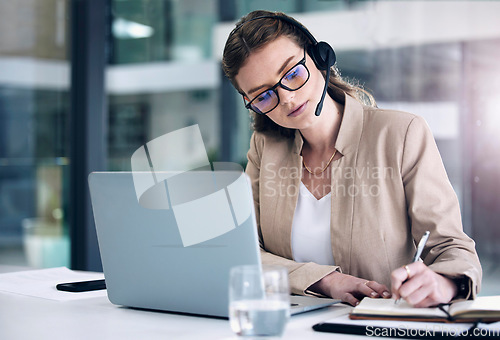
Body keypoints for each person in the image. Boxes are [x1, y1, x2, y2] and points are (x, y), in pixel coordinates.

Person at [222, 10, 482, 307]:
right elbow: (243, 253)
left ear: (320, 57)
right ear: (250, 103)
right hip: (293, 328)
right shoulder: (265, 147)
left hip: (379, 327)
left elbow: (452, 247)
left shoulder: (401, 134)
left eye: (292, 74)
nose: (287, 99)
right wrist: (325, 281)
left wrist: (445, 282)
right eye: (264, 96)